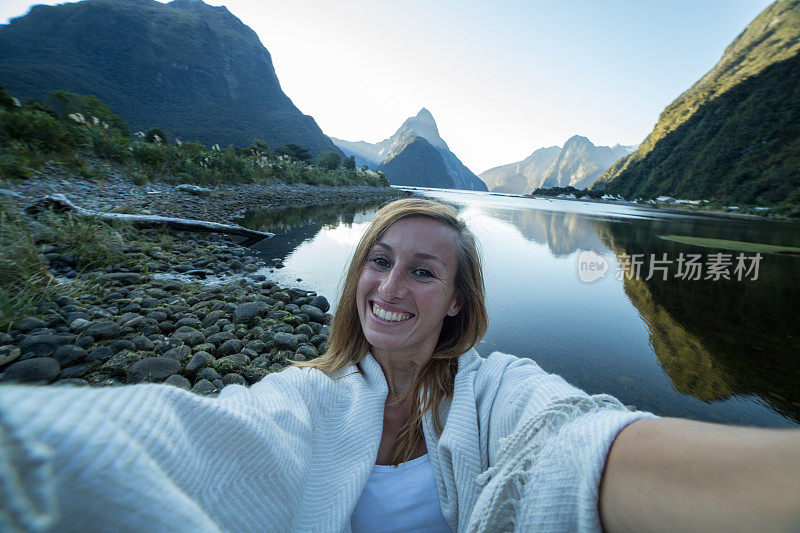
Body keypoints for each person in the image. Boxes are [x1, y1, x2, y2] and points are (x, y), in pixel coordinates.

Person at [0, 198, 798, 532]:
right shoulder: (309, 395)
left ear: (457, 299)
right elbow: (214, 439)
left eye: (423, 270)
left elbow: (573, 441)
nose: (389, 286)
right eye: (378, 260)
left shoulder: (496, 390)